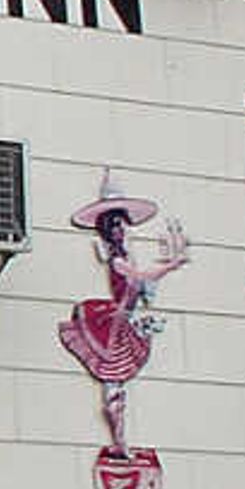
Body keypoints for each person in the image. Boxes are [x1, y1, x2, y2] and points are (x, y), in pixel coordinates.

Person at [59, 176, 191, 455]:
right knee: (112, 375)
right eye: (115, 224)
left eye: (122, 223)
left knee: (118, 378)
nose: (120, 229)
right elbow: (136, 278)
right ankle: (119, 438)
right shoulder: (114, 257)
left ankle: (120, 439)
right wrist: (169, 267)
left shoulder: (125, 254)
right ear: (106, 228)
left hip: (125, 316)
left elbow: (142, 286)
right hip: (113, 317)